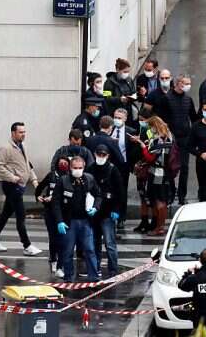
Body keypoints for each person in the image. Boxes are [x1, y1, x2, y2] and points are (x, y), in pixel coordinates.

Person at [0, 122, 42, 255]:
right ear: (13, 133)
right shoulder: (5, 148)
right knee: (20, 215)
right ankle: (27, 246)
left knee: (6, 213)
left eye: (24, 132)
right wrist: (12, 177)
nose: (23, 134)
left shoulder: (23, 146)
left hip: (20, 186)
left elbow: (27, 165)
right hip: (11, 186)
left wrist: (34, 181)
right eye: (20, 132)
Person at [51, 156, 103, 282]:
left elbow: (99, 195)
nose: (78, 170)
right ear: (70, 168)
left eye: (80, 168)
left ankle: (94, 277)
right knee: (68, 251)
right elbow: (56, 202)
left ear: (84, 168)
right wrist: (59, 221)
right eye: (75, 168)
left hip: (85, 221)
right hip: (69, 222)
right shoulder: (63, 181)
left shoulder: (89, 179)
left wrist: (95, 207)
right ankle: (68, 277)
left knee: (90, 250)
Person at [155, 74, 199, 205]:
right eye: (186, 83)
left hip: (185, 138)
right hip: (171, 138)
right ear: (178, 84)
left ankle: (182, 195)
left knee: (184, 167)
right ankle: (171, 192)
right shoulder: (166, 99)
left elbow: (193, 117)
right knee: (170, 167)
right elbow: (160, 119)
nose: (188, 86)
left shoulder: (188, 99)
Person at [86, 145, 123, 278]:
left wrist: (117, 209)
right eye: (99, 154)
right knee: (95, 242)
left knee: (110, 243)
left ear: (107, 156)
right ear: (95, 154)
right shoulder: (90, 169)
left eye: (103, 155)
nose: (101, 157)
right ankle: (96, 267)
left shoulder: (113, 170)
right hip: (95, 213)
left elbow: (119, 192)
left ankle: (113, 269)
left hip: (108, 212)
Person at [136, 116, 174, 236]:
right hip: (164, 172)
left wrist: (143, 147)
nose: (149, 129)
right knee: (160, 199)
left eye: (150, 127)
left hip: (158, 173)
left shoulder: (159, 140)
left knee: (159, 200)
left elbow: (150, 157)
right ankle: (159, 225)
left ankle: (160, 226)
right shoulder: (169, 137)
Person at [35, 156, 70, 278]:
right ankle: (53, 259)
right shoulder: (51, 176)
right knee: (53, 237)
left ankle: (61, 262)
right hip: (50, 210)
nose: (63, 165)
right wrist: (39, 196)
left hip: (64, 211)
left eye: (66, 163)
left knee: (63, 239)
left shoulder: (69, 177)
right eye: (61, 163)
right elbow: (40, 187)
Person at [111, 108, 138, 228]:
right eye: (115, 117)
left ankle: (121, 216)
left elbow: (135, 149)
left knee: (122, 191)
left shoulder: (130, 131)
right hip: (110, 165)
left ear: (125, 119)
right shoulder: (109, 130)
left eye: (119, 118)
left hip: (123, 165)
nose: (117, 120)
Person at [133, 109, 157, 233]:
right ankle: (144, 220)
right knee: (143, 196)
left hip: (148, 168)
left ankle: (153, 221)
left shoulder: (151, 131)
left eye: (142, 119)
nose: (140, 122)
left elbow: (150, 149)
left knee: (150, 197)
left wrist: (142, 144)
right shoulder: (143, 129)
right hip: (141, 166)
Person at [103, 58, 137, 125]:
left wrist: (133, 97)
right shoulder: (109, 82)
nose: (126, 74)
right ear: (118, 70)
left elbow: (133, 92)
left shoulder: (129, 80)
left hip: (128, 112)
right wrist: (119, 99)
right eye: (124, 72)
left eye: (128, 72)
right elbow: (106, 97)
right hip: (115, 113)